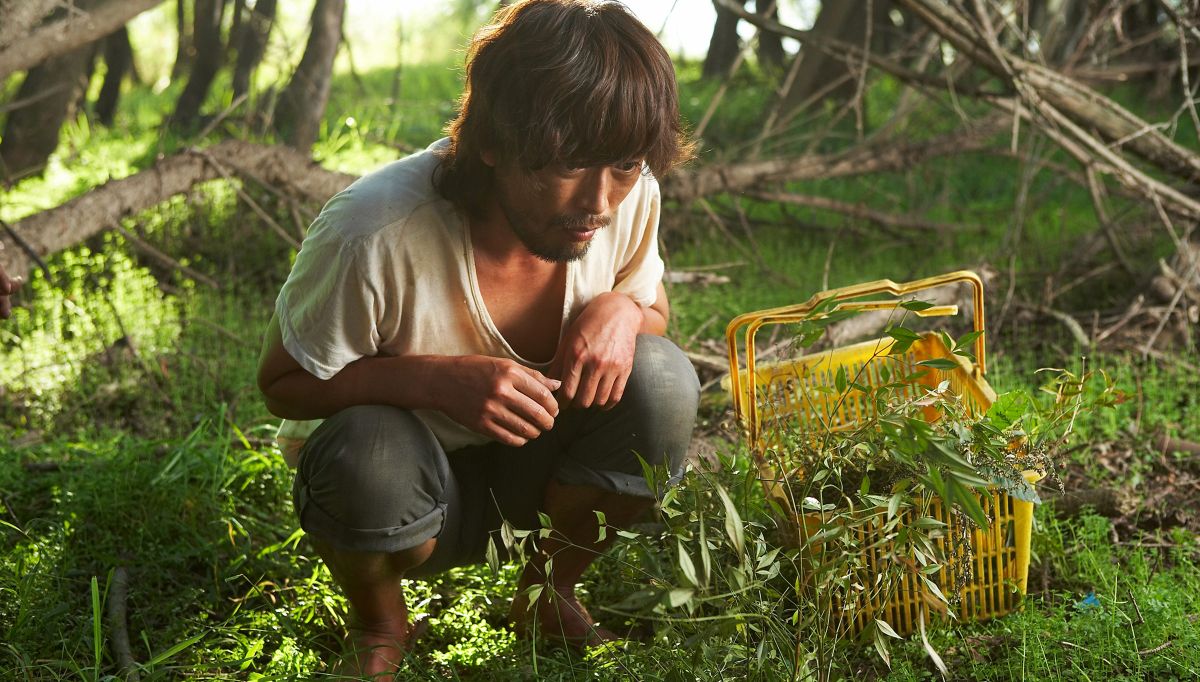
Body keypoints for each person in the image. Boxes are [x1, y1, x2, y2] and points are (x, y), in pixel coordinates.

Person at [256, 0, 699, 675]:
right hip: (405, 492)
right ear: (492, 141)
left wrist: (621, 309)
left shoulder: (628, 194)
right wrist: (431, 380)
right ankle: (379, 622)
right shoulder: (373, 232)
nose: (599, 202)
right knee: (365, 450)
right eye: (569, 164)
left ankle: (549, 592)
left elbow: (654, 308)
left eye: (625, 165)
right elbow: (282, 384)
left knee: (662, 379)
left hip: (540, 475)